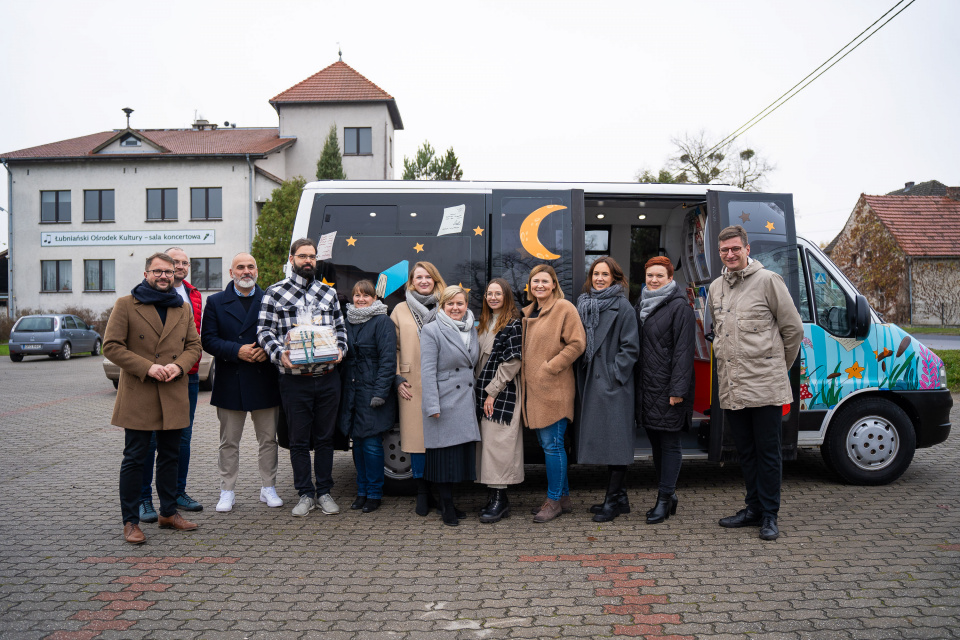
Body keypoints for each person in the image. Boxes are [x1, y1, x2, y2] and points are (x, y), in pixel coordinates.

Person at [709, 225, 803, 541]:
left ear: (747, 249)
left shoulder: (768, 281)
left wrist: (776, 368)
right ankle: (752, 509)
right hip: (733, 386)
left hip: (765, 386)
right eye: (725, 250)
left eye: (736, 248)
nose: (730, 254)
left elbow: (793, 331)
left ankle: (770, 516)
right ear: (719, 253)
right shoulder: (715, 288)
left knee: (768, 453)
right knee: (744, 452)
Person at [105, 252, 203, 544]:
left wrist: (179, 365)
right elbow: (111, 346)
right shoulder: (126, 304)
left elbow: (195, 346)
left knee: (171, 456)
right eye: (158, 271)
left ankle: (169, 513)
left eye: (169, 272)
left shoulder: (182, 308)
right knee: (135, 458)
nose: (164, 276)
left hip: (173, 390)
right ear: (146, 273)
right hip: (140, 391)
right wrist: (147, 367)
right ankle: (130, 522)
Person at [257, 238, 348, 518]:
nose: (308, 261)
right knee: (297, 440)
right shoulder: (275, 292)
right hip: (294, 378)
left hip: (327, 376)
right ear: (292, 258)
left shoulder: (328, 293)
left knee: (325, 438)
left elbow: (341, 329)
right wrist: (277, 354)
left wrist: (341, 350)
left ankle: (324, 492)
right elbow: (263, 332)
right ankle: (305, 494)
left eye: (312, 257)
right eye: (303, 256)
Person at [201, 253, 283, 513]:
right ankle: (227, 490)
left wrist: (264, 349)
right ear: (231, 272)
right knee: (229, 441)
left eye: (250, 267)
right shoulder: (215, 302)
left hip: (264, 377)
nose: (246, 271)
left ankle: (268, 487)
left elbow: (282, 331)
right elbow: (208, 340)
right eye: (240, 267)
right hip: (230, 380)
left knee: (268, 439)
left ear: (257, 270)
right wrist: (237, 350)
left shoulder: (270, 298)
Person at [137, 246, 204, 522]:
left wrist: (183, 365)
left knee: (181, 440)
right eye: (173, 262)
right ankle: (143, 499)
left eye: (184, 262)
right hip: (153, 377)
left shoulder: (194, 296)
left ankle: (176, 493)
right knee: (150, 441)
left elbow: (195, 340)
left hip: (186, 377)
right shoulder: (141, 297)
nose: (178, 267)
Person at [575, 257, 639, 523]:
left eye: (605, 274)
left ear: (615, 277)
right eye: (595, 274)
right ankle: (621, 498)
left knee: (616, 442)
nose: (599, 278)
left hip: (613, 385)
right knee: (608, 440)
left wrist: (614, 375)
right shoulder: (584, 304)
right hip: (592, 380)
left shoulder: (622, 306)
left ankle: (612, 501)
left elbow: (631, 348)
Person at [521, 264, 586, 523]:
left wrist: (550, 368)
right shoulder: (529, 311)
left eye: (545, 281)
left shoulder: (564, 308)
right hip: (535, 392)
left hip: (554, 389)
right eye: (535, 281)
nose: (540, 285)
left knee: (553, 446)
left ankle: (553, 501)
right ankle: (564, 497)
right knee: (549, 445)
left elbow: (577, 343)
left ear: (554, 284)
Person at [634, 256, 695, 524]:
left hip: (670, 388)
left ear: (670, 278)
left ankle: (664, 498)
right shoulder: (642, 303)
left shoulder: (680, 307)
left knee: (669, 443)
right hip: (648, 386)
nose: (654, 280)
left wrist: (678, 390)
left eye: (660, 276)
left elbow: (684, 352)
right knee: (656, 443)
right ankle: (668, 496)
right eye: (650, 275)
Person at [420, 285, 480, 526]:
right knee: (445, 458)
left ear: (466, 305)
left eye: (460, 304)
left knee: (457, 458)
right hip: (444, 401)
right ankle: (446, 506)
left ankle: (451, 502)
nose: (456, 308)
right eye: (450, 304)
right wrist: (432, 405)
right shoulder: (432, 330)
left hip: (465, 400)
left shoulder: (471, 329)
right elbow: (427, 370)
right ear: (442, 306)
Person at [391, 261, 447, 516]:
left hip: (443, 383)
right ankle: (422, 494)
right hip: (411, 382)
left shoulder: (446, 306)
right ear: (411, 282)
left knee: (441, 441)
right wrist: (397, 378)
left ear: (435, 280)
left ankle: (440, 493)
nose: (423, 281)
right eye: (418, 277)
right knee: (416, 441)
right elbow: (392, 349)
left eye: (428, 277)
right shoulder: (400, 310)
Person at [338, 280, 397, 513]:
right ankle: (361, 491)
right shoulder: (347, 321)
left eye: (366, 295)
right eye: (357, 295)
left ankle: (374, 493)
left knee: (372, 444)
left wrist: (381, 393)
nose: (361, 299)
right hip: (352, 391)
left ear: (374, 298)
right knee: (358, 444)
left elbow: (388, 360)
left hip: (373, 392)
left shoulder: (382, 321)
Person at [474, 278, 524, 523]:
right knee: (487, 446)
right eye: (489, 293)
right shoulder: (483, 323)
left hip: (501, 392)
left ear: (506, 296)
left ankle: (500, 500)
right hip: (482, 392)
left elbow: (513, 362)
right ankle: (492, 496)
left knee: (499, 445)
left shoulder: (513, 324)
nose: (493, 297)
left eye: (498, 293)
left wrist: (492, 391)